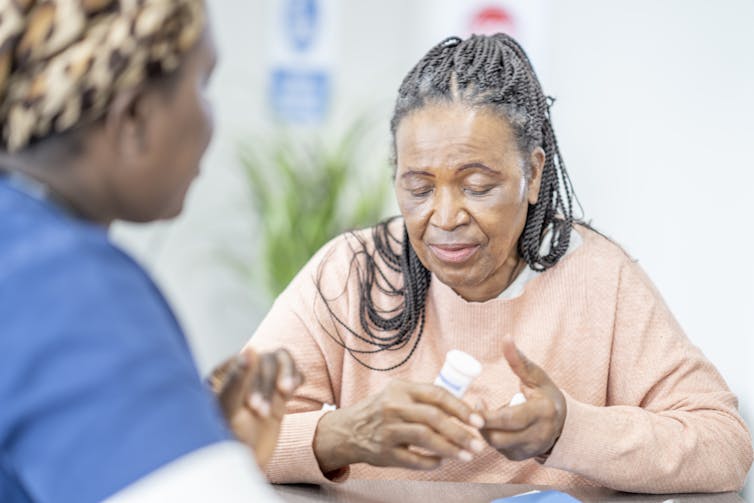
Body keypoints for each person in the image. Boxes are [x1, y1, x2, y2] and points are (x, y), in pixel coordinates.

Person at [246, 33, 753, 493]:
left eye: (477, 186)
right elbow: (218, 429)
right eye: (418, 187)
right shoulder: (351, 272)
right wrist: (342, 435)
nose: (443, 217)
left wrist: (568, 430)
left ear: (532, 175)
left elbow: (724, 443)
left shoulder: (597, 278)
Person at [0, 1, 298, 502]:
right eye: (202, 83)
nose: (209, 121)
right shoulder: (65, 287)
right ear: (134, 116)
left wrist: (186, 444)